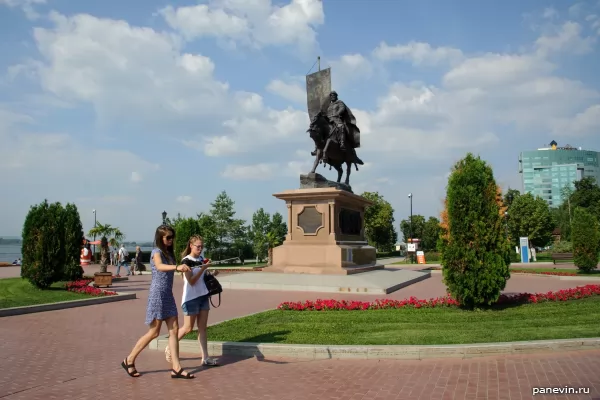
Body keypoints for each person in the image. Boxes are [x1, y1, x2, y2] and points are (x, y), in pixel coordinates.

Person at [121, 225, 195, 379]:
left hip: (167, 295)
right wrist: (176, 267)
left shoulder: (169, 253)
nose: (171, 240)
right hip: (157, 295)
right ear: (160, 238)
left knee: (174, 330)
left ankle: (176, 368)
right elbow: (160, 267)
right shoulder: (156, 252)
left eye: (172, 237)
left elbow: (176, 265)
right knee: (154, 332)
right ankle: (129, 360)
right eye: (168, 237)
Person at [164, 235, 219, 367]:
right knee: (188, 328)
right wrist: (203, 268)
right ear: (191, 246)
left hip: (203, 296)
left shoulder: (200, 259)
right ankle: (169, 347)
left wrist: (212, 272)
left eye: (202, 246)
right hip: (190, 299)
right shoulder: (186, 262)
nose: (200, 249)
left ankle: (205, 358)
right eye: (198, 246)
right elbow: (192, 281)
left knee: (202, 328)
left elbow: (202, 278)